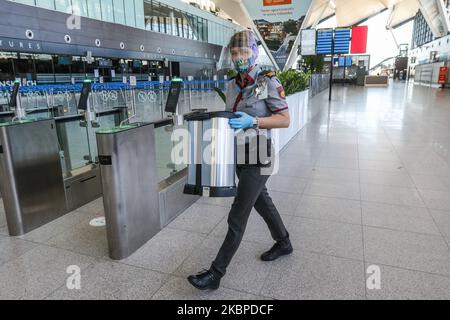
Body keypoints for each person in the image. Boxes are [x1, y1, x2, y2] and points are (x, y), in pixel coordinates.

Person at [188, 30, 293, 291]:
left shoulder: (269, 81)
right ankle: (284, 242)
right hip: (239, 154)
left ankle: (216, 273)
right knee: (262, 202)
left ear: (254, 53)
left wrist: (254, 121)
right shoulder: (232, 84)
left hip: (260, 155)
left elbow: (284, 119)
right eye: (234, 53)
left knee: (237, 215)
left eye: (243, 52)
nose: (238, 57)